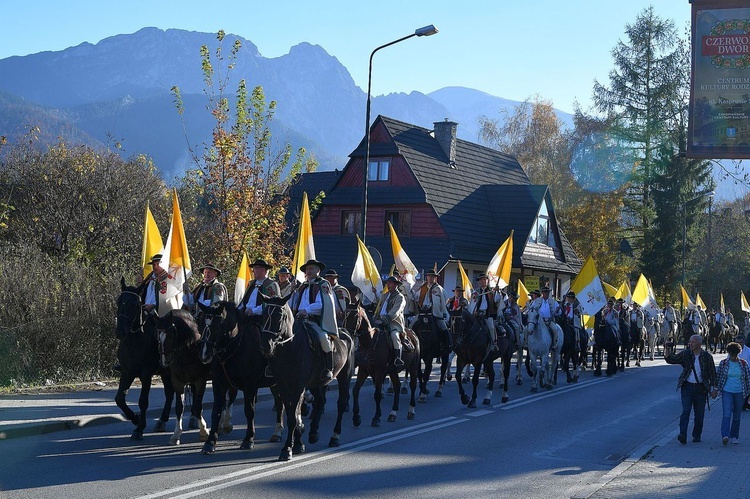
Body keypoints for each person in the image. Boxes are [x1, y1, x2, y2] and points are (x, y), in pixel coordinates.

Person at [290, 259, 338, 382]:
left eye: (311, 268)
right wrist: (292, 291)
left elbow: (322, 304)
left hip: (315, 320)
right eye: (307, 269)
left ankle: (328, 368)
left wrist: (306, 310)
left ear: (318, 270)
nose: (309, 271)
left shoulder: (323, 284)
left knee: (323, 337)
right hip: (298, 320)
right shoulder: (302, 285)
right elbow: (293, 303)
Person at [665, 334, 718, 444]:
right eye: (689, 342)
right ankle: (682, 434)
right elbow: (671, 360)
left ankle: (696, 435)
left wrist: (714, 389)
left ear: (699, 343)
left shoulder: (707, 357)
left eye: (693, 342)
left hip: (701, 388)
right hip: (687, 387)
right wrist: (667, 349)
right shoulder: (686, 354)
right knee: (686, 411)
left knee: (699, 415)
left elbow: (713, 374)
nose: (690, 344)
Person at [716, 341, 750, 444]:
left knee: (737, 416)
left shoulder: (744, 364)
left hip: (740, 392)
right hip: (727, 391)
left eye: (734, 355)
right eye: (731, 354)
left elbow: (748, 379)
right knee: (726, 414)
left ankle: (734, 436)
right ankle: (725, 435)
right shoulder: (724, 363)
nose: (733, 357)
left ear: (738, 354)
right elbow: (718, 377)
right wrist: (715, 389)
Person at [412, 270, 451, 349]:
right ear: (427, 277)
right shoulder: (422, 287)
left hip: (435, 313)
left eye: (432, 276)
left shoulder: (439, 289)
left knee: (443, 327)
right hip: (422, 312)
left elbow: (444, 301)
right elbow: (416, 297)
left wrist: (443, 313)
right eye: (429, 276)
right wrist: (410, 291)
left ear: (435, 278)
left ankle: (448, 345)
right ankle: (413, 347)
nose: (430, 278)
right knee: (412, 325)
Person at [374, 275, 406, 369]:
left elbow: (396, 311)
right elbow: (378, 306)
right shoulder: (384, 295)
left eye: (390, 283)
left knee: (394, 336)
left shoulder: (400, 297)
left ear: (396, 285)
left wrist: (386, 318)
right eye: (387, 283)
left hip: (393, 323)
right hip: (379, 321)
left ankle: (397, 358)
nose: (388, 285)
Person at [238, 259, 281, 327]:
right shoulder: (251, 283)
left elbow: (271, 304)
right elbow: (244, 300)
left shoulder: (271, 285)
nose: (253, 271)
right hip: (245, 316)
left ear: (263, 270)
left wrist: (253, 311)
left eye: (255, 268)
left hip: (261, 320)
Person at [469, 274, 502, 351]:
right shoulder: (476, 292)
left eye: (484, 279)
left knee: (491, 327)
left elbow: (497, 300)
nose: (482, 281)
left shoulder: (492, 291)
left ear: (487, 281)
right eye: (481, 280)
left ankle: (494, 344)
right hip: (477, 314)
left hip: (487, 314)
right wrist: (474, 311)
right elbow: (473, 303)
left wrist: (498, 292)